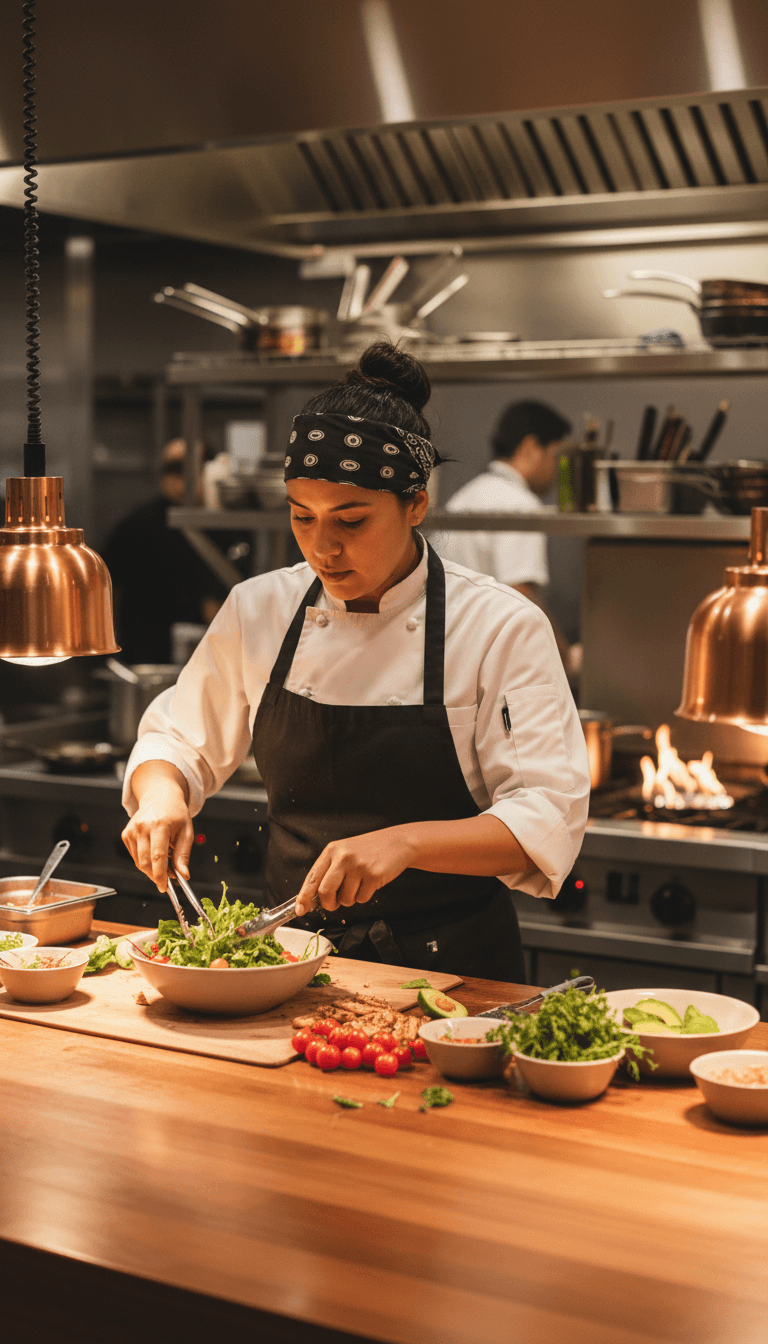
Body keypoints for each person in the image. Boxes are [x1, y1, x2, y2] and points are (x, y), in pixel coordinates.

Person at [120, 344, 589, 983]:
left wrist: (405, 842)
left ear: (415, 504)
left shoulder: (500, 626)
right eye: (301, 517)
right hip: (289, 964)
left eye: (351, 520)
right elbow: (177, 738)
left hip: (452, 976)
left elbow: (547, 814)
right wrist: (161, 797)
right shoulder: (260, 610)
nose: (322, 546)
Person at [438, 401, 578, 671]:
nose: (557, 470)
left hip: (450, 652)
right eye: (555, 456)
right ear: (531, 448)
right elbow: (521, 594)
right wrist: (564, 658)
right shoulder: (520, 505)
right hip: (492, 660)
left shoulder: (465, 496)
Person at [101, 439, 227, 664]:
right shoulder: (139, 524)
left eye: (186, 470)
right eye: (172, 470)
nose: (179, 479)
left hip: (213, 655)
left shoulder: (225, 524)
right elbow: (102, 585)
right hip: (147, 655)